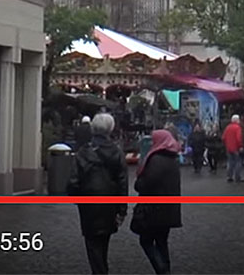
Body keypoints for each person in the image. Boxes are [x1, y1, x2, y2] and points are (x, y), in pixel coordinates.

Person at [67, 114, 128, 274]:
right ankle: (101, 270)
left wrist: (77, 198)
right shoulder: (117, 152)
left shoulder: (83, 152)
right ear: (110, 129)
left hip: (88, 206)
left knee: (93, 245)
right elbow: (122, 182)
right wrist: (122, 210)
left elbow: (73, 181)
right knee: (103, 242)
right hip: (109, 205)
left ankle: (100, 272)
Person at [131, 129, 182, 274]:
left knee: (146, 241)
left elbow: (144, 184)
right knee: (161, 241)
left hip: (155, 210)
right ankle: (166, 269)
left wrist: (139, 180)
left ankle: (162, 270)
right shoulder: (173, 158)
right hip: (169, 209)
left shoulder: (155, 159)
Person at [223, 115, 244, 182]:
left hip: (228, 148)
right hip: (236, 148)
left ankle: (229, 176)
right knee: (238, 162)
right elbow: (239, 138)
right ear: (237, 120)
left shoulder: (227, 127)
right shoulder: (237, 128)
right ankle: (237, 177)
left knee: (230, 162)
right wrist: (240, 146)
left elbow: (223, 137)